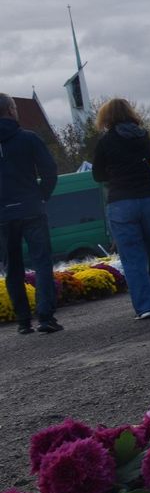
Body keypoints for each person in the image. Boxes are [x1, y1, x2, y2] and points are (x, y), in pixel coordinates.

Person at [91, 98, 150, 320]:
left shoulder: (105, 142)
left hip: (121, 201)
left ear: (106, 118)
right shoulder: (143, 136)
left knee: (132, 256)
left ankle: (145, 307)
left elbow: (97, 174)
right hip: (149, 198)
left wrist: (114, 174)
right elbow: (146, 160)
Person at [0, 94, 60, 334]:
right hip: (31, 208)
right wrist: (42, 195)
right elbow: (49, 169)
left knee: (12, 267)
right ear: (12, 110)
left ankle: (23, 321)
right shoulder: (29, 138)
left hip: (3, 215)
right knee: (42, 262)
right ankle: (45, 317)